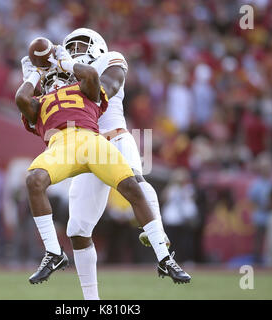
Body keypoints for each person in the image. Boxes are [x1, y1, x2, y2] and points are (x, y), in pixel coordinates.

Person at [15, 44, 190, 290]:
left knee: (132, 185)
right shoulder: (40, 101)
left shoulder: (85, 88)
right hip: (61, 145)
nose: (56, 80)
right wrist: (34, 74)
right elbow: (21, 99)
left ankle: (164, 257)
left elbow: (93, 77)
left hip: (93, 140)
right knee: (34, 181)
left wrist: (64, 63)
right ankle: (53, 253)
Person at [61, 28, 172, 300]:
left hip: (114, 138)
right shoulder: (64, 75)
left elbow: (103, 90)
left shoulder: (111, 59)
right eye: (71, 47)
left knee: (135, 180)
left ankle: (158, 236)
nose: (76, 52)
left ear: (97, 47)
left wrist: (64, 67)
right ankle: (92, 301)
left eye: (81, 46)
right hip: (86, 150)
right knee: (77, 229)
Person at [248, 153, 272, 265]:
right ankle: (257, 261)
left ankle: (270, 261)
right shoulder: (257, 183)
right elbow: (252, 199)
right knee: (258, 240)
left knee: (271, 240)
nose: (266, 170)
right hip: (260, 215)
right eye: (264, 168)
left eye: (267, 167)